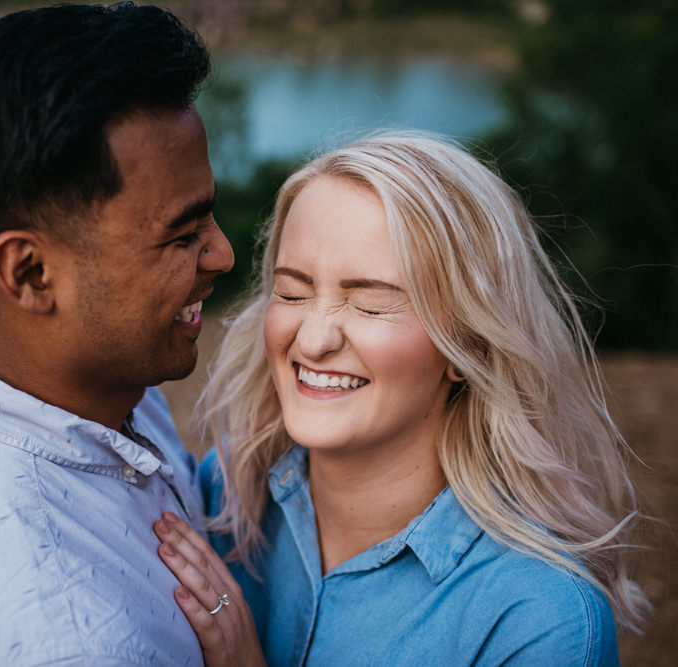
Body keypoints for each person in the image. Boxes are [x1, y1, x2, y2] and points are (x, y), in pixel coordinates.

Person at [152, 131, 648, 666]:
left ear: (468, 345)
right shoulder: (223, 491)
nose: (313, 340)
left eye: (369, 305)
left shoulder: (542, 622)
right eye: (293, 292)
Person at [0, 3, 235, 665]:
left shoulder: (87, 381)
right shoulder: (70, 639)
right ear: (32, 273)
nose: (223, 255)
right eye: (183, 235)